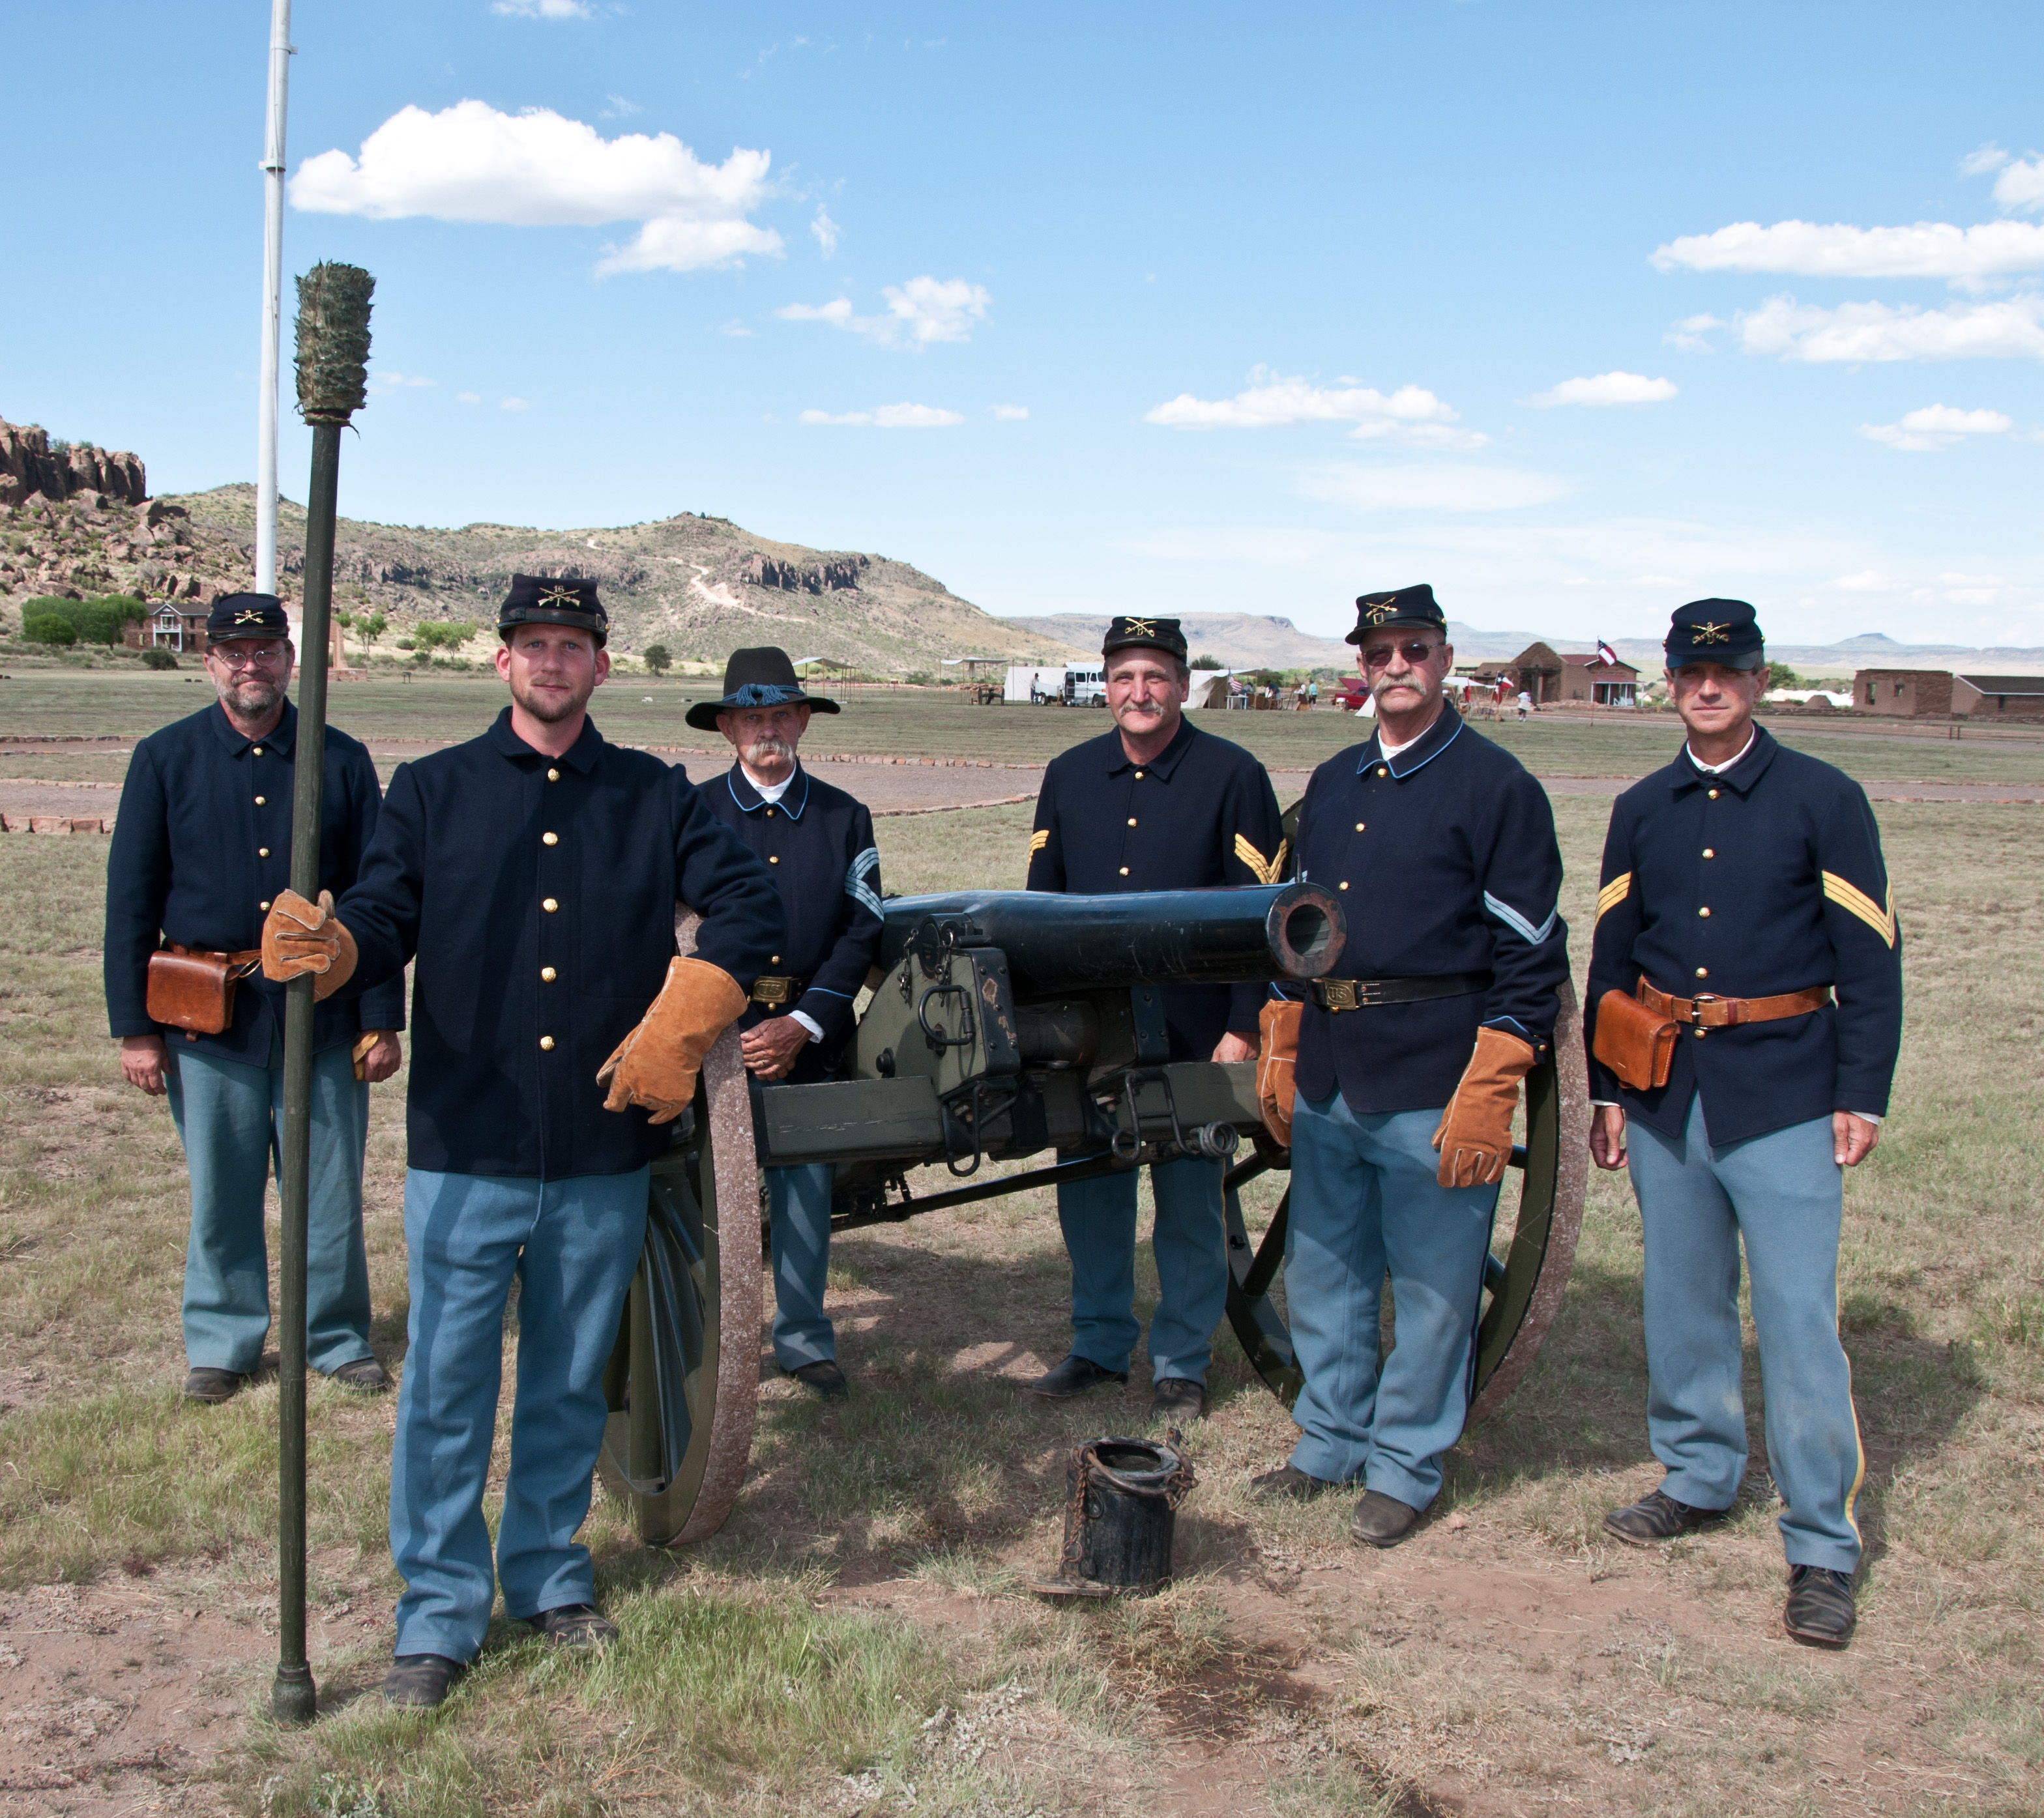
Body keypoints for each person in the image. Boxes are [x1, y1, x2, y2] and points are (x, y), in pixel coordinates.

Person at [261, 575, 781, 1709]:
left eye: (574, 645)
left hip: (601, 1149)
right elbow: (387, 911)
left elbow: (748, 906)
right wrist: (342, 949)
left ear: (602, 667)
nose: (552, 661)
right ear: (502, 662)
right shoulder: (434, 790)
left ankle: (548, 1577)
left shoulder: (656, 796)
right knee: (447, 1387)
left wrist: (691, 1012)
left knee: (561, 1383)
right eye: (533, 643)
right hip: (468, 1139)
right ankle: (438, 1616)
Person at [1584, 598, 1903, 1651]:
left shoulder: (1825, 797)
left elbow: (1870, 960)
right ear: (1669, 684)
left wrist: (1860, 1093)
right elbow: (1611, 956)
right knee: (1682, 1306)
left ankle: (1820, 1547)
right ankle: (1699, 1476)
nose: (1708, 687)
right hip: (1669, 1099)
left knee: (1799, 1322)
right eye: (1690, 671)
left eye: (1729, 671)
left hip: (1787, 1097)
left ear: (1759, 681)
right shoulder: (1640, 807)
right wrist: (1606, 1090)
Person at [1250, 584, 1568, 1546]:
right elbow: (1295, 923)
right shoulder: (1337, 781)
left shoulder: (1496, 787)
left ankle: (1405, 1464)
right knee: (1326, 1266)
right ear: (1362, 663)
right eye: (1380, 650)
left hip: (1433, 1069)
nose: (1396, 665)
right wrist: (1284, 1028)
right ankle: (1330, 1438)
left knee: (1432, 1286)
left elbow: (1529, 953)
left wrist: (1496, 1074)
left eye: (1414, 649)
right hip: (1334, 1067)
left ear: (1444, 659)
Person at [104, 592, 404, 1405]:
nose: (251, 665)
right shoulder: (163, 759)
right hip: (206, 1019)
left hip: (324, 1014)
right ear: (210, 662)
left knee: (330, 1190)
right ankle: (224, 1343)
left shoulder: (339, 760)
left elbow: (378, 902)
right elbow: (131, 902)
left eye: (266, 649)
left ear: (289, 660)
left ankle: (335, 1337)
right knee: (222, 1188)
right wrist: (135, 1031)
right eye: (234, 652)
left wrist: (380, 1018)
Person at [1025, 616, 1285, 1421]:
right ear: (1107, 686)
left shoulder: (1232, 773)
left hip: (1192, 1026)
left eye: (1156, 676)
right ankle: (1099, 1347)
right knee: (1092, 1195)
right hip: (1089, 1030)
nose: (1139, 693)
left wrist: (1242, 1025)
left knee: (1188, 1202)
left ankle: (1180, 1361)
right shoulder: (1069, 774)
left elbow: (1262, 914)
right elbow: (1040, 905)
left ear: (1181, 685)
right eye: (1124, 677)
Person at [691, 648, 883, 1400]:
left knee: (806, 1186)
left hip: (808, 1031)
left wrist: (805, 1021)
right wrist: (717, 1019)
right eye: (751, 717)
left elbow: (862, 930)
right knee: (709, 1192)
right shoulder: (694, 812)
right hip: (714, 1032)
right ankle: (713, 1336)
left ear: (802, 721)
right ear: (728, 728)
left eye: (780, 715)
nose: (766, 729)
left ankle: (803, 1340)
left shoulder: (844, 815)